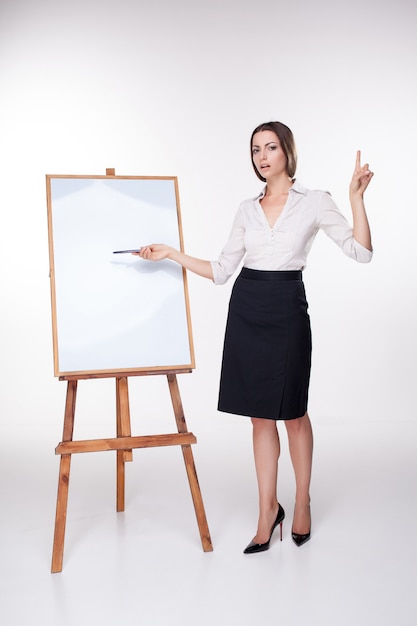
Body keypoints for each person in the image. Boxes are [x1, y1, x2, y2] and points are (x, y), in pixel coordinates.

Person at [135, 121, 373, 554]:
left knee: (293, 413)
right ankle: (267, 509)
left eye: (270, 147)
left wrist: (356, 198)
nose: (262, 157)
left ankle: (302, 501)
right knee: (260, 417)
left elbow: (362, 252)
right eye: (255, 150)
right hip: (247, 307)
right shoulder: (246, 209)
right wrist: (171, 252)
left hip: (286, 307)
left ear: (287, 152)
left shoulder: (315, 201)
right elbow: (223, 270)